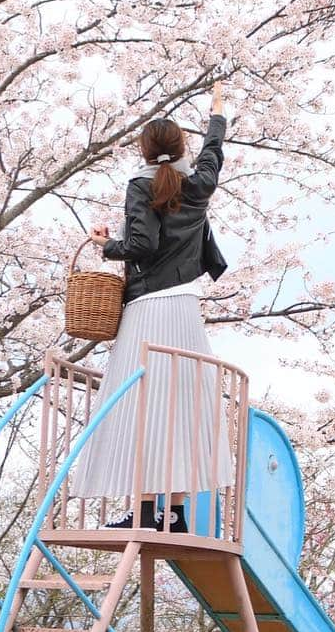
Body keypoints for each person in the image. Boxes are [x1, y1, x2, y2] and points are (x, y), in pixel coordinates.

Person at [71, 82, 234, 532]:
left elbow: (143, 244)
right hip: (185, 307)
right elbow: (213, 152)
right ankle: (177, 514)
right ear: (182, 147)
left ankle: (143, 512)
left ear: (144, 151)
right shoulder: (199, 184)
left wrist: (107, 245)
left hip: (147, 310)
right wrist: (217, 115)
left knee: (142, 404)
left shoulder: (140, 186)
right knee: (181, 406)